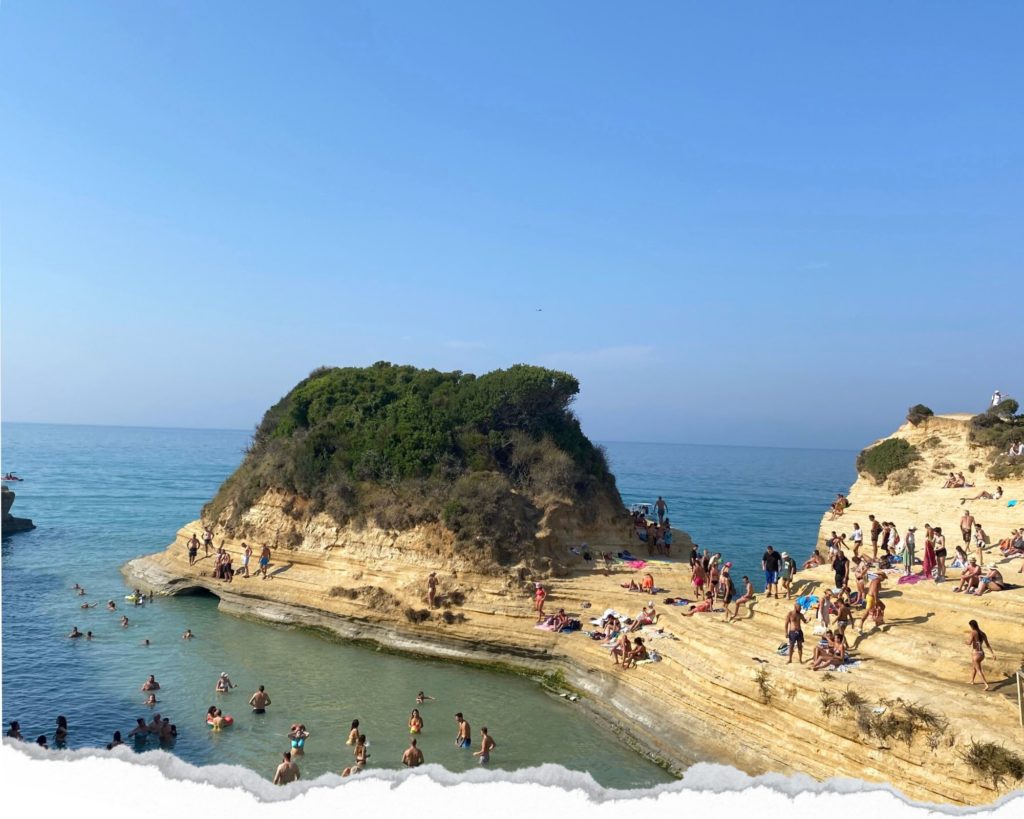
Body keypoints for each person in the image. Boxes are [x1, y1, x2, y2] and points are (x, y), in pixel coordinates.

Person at [966, 619, 996, 690]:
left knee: (978, 670)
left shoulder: (973, 632)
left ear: (971, 626)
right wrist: (992, 654)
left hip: (975, 654)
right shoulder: (983, 633)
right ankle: (972, 681)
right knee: (974, 667)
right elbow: (987, 645)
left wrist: (965, 642)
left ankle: (986, 685)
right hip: (981, 653)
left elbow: (969, 643)